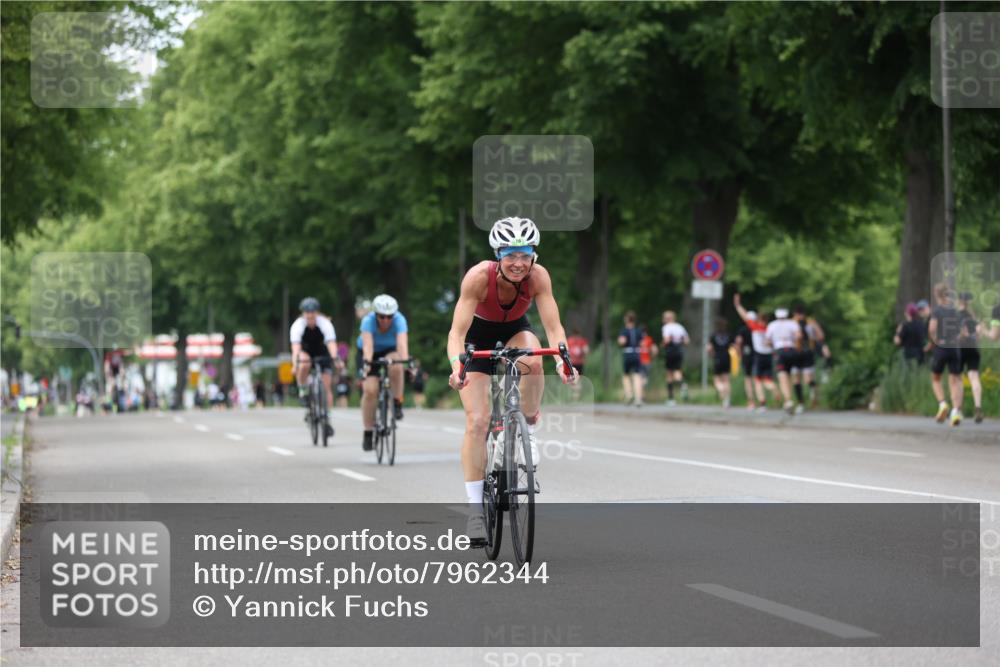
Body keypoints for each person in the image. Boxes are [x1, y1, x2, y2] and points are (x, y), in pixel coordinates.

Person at [446, 217, 578, 543]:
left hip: (515, 331)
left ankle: (527, 424)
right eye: (511, 255)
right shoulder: (478, 277)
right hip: (477, 340)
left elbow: (553, 327)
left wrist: (564, 361)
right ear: (498, 254)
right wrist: (456, 366)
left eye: (525, 254)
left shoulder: (538, 276)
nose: (519, 263)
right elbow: (456, 333)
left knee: (533, 358)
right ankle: (476, 511)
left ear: (533, 254)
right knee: (477, 421)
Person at [359, 294, 410, 451]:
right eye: (382, 316)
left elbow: (402, 344)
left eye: (389, 317)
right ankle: (368, 432)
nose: (386, 320)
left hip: (389, 350)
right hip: (369, 352)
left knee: (396, 365)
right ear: (375, 314)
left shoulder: (400, 320)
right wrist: (367, 364)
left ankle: (397, 401)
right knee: (370, 390)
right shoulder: (367, 321)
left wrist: (406, 361)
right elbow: (368, 346)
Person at [290, 297, 338, 437]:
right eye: (307, 312)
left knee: (326, 385)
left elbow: (331, 343)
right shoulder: (298, 325)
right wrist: (295, 364)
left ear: (317, 313)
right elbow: (296, 348)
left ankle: (326, 418)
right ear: (303, 313)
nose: (310, 315)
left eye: (313, 312)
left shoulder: (325, 323)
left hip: (322, 352)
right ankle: (303, 390)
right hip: (305, 351)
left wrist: (335, 358)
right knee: (304, 362)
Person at [928, 283, 964, 426]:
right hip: (954, 348)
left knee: (936, 378)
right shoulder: (955, 311)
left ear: (936, 295)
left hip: (941, 348)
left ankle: (942, 404)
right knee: (955, 380)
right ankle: (955, 411)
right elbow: (961, 331)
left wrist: (935, 341)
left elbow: (932, 329)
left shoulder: (937, 311)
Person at [792, 303, 825, 412]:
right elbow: (821, 336)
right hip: (808, 352)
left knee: (796, 378)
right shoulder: (811, 322)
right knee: (808, 379)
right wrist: (814, 339)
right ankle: (814, 397)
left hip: (796, 352)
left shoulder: (791, 322)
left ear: (795, 314)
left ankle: (801, 403)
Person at [957, 293, 984, 424]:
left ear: (959, 301)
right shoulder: (973, 317)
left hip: (960, 349)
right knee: (974, 376)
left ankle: (959, 410)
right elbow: (979, 334)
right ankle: (978, 407)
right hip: (973, 348)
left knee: (959, 378)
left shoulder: (956, 315)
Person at [660, 311, 689, 405]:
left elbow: (667, 339)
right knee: (677, 371)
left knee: (669, 375)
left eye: (664, 318)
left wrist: (662, 344)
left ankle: (671, 399)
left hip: (670, 351)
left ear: (668, 318)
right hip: (679, 350)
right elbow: (686, 341)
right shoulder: (680, 327)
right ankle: (682, 385)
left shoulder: (666, 327)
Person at [618, 312, 644, 406]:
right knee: (637, 376)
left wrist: (622, 341)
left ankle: (629, 394)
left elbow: (622, 341)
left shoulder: (624, 331)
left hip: (628, 353)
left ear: (626, 319)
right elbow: (642, 344)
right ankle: (638, 398)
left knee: (626, 375)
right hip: (637, 353)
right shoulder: (638, 331)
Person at [708, 317, 733, 408]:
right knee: (726, 379)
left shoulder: (713, 335)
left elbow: (709, 348)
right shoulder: (729, 335)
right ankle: (727, 399)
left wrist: (711, 355)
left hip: (717, 358)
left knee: (716, 379)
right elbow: (734, 346)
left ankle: (721, 390)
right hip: (727, 357)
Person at [733, 318, 757, 409]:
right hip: (757, 355)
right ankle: (761, 400)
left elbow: (738, 342)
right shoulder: (757, 327)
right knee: (757, 379)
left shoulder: (742, 329)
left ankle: (751, 401)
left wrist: (739, 354)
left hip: (746, 356)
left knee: (748, 379)